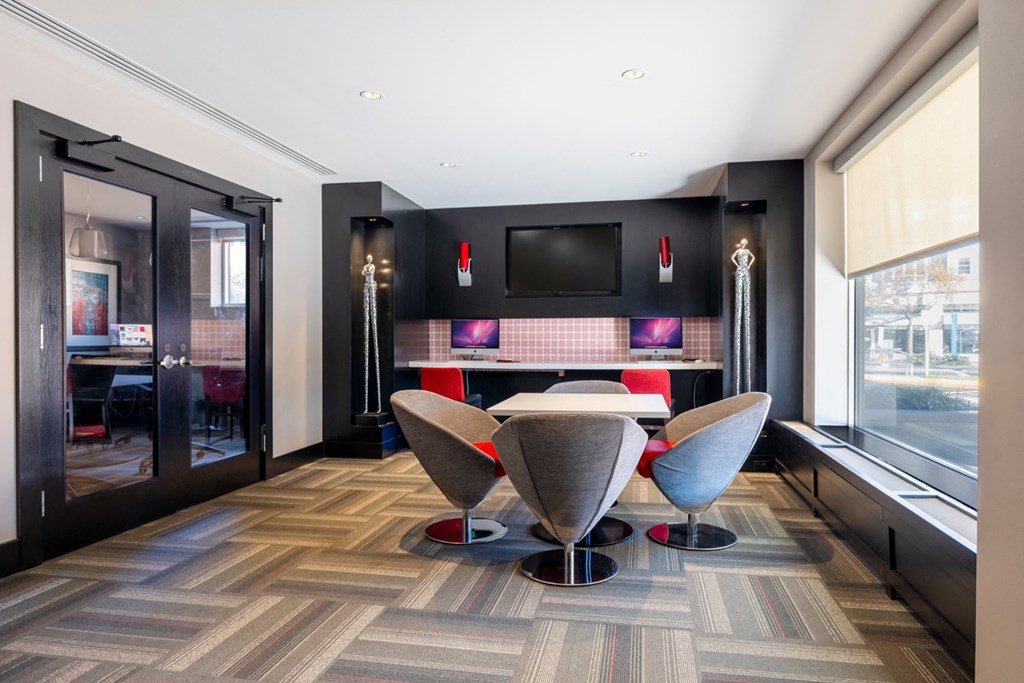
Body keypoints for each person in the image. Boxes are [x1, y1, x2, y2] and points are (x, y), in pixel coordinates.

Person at [731, 239, 755, 394]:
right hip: (741, 271)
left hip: (745, 271)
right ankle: (739, 391)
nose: (744, 244)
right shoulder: (739, 253)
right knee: (739, 306)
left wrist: (747, 266)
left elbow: (753, 258)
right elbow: (733, 258)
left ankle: (747, 391)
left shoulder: (746, 253)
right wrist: (739, 266)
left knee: (745, 307)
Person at [362, 254, 381, 414]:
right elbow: (363, 274)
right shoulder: (366, 269)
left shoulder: (370, 269)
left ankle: (376, 406)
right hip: (367, 292)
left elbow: (365, 274)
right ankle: (366, 406)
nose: (368, 260)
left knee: (372, 339)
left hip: (371, 292)